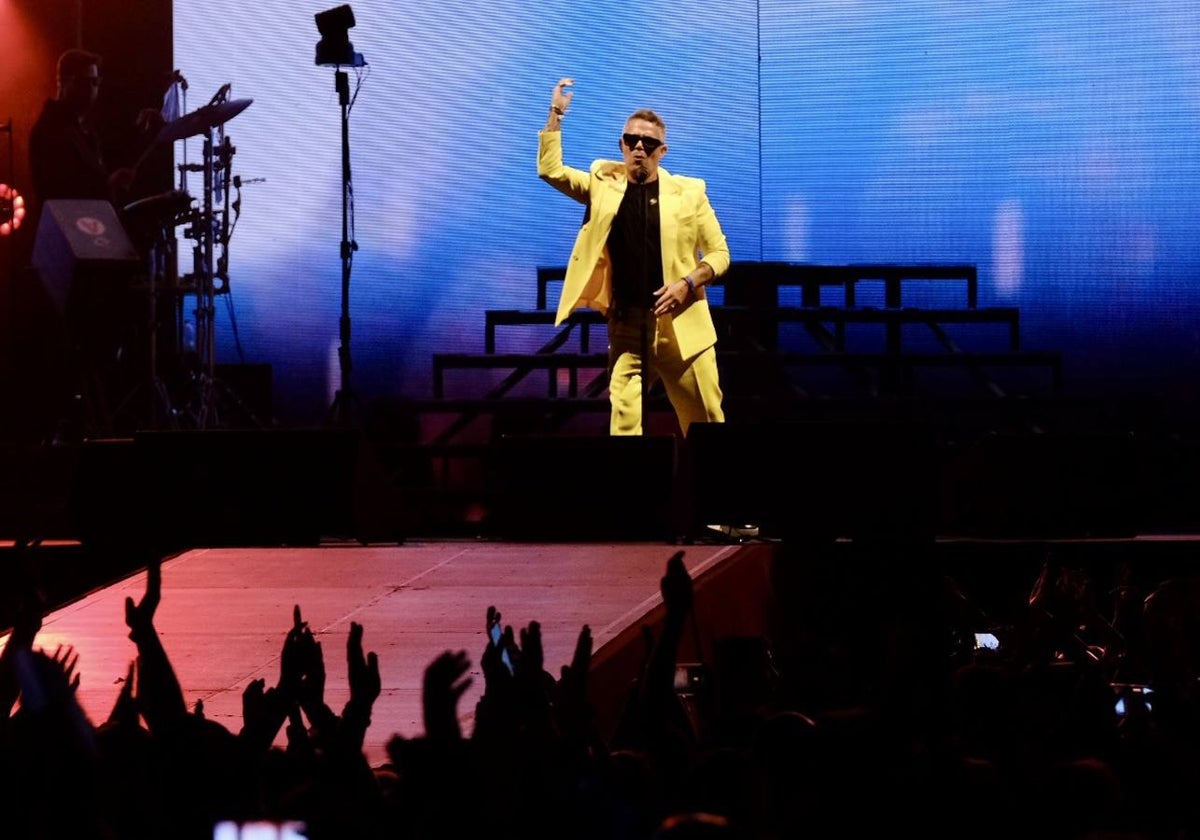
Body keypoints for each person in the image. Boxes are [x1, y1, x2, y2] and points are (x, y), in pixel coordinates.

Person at [538, 77, 731, 437]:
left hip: (682, 326)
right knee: (624, 432)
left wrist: (687, 283)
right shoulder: (602, 185)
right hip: (628, 326)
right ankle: (634, 494)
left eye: (649, 142)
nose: (639, 146)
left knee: (707, 427)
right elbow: (551, 171)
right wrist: (555, 116)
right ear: (622, 145)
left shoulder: (690, 193)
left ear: (662, 151)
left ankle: (711, 493)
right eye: (632, 140)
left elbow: (720, 254)